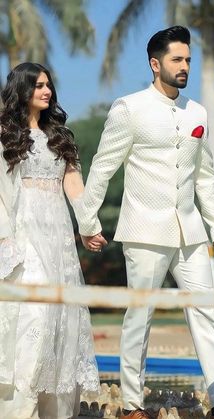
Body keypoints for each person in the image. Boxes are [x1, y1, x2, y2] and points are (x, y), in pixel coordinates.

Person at [76, 26, 214, 419]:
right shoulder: (129, 108)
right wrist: (87, 219)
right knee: (139, 315)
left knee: (205, 312)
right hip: (144, 229)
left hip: (191, 232)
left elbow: (204, 177)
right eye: (176, 60)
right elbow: (103, 167)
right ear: (155, 63)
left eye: (188, 60)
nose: (184, 67)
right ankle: (132, 405)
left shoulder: (196, 112)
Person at [0, 62, 101, 419]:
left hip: (58, 235)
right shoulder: (4, 134)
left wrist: (88, 225)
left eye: (48, 85)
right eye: (38, 85)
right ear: (21, 90)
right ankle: (19, 407)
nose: (46, 91)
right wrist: (4, 239)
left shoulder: (60, 135)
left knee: (61, 313)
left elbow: (74, 185)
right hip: (24, 233)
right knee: (36, 314)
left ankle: (53, 409)